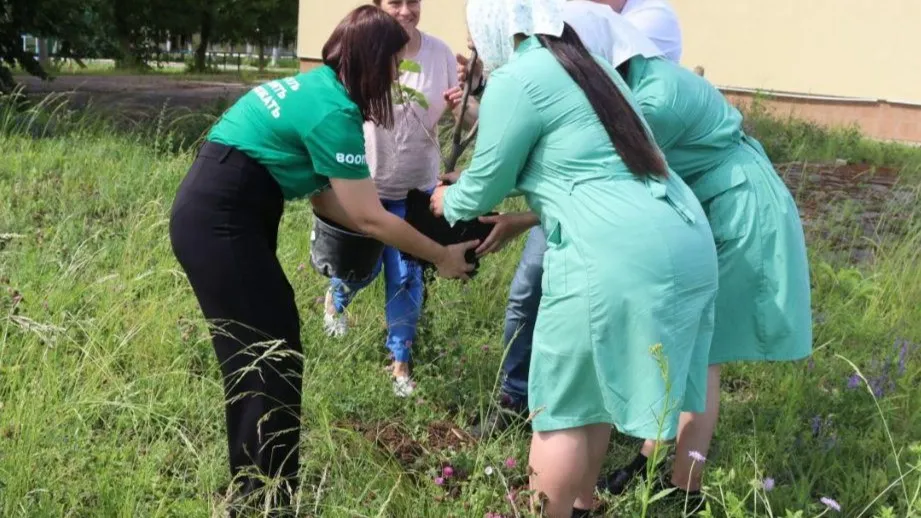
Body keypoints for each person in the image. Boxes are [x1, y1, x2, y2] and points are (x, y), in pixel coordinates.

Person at [168, 6, 478, 515]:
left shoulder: (319, 88)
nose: (396, 77)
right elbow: (370, 217)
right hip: (223, 218)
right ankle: (263, 501)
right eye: (393, 64)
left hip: (223, 208)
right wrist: (440, 254)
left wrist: (406, 233)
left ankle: (264, 492)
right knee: (268, 356)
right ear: (372, 62)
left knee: (266, 352)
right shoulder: (334, 111)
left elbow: (331, 200)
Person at [430, 0, 719, 515]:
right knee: (595, 395)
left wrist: (447, 199)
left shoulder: (517, 77)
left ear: (494, 29)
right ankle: (582, 506)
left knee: (560, 410)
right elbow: (575, 158)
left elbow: (483, 186)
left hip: (610, 253)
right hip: (683, 232)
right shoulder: (592, 66)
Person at [561, 7, 813, 504]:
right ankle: (654, 460)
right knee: (689, 345)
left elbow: (602, 177)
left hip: (738, 209)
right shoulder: (643, 81)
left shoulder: (654, 101)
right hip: (714, 200)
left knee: (704, 353)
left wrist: (520, 214)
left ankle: (684, 488)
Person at [322, 0, 463, 398]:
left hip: (417, 189)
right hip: (367, 186)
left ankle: (399, 362)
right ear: (378, 5)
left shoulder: (440, 54)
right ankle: (336, 299)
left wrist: (467, 101)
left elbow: (464, 116)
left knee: (405, 277)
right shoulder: (365, 49)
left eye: (412, 2)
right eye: (394, 2)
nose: (404, 11)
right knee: (362, 269)